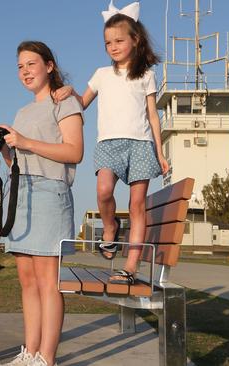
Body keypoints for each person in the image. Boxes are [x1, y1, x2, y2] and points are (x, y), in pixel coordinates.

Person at [54, 1, 169, 285]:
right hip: (108, 143)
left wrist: (161, 152)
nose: (113, 46)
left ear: (135, 39)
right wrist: (70, 91)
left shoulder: (146, 75)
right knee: (104, 191)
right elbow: (81, 104)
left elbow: (153, 117)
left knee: (137, 205)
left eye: (119, 40)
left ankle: (130, 267)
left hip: (141, 145)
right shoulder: (102, 74)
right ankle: (110, 228)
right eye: (108, 43)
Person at [0, 41, 84, 366]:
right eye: (20, 66)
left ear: (49, 66)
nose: (25, 71)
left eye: (31, 64)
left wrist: (25, 141)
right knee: (27, 280)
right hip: (20, 194)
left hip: (49, 193)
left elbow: (74, 152)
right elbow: (23, 158)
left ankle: (47, 358)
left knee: (47, 282)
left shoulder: (65, 102)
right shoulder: (22, 112)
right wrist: (6, 149)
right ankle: (29, 353)